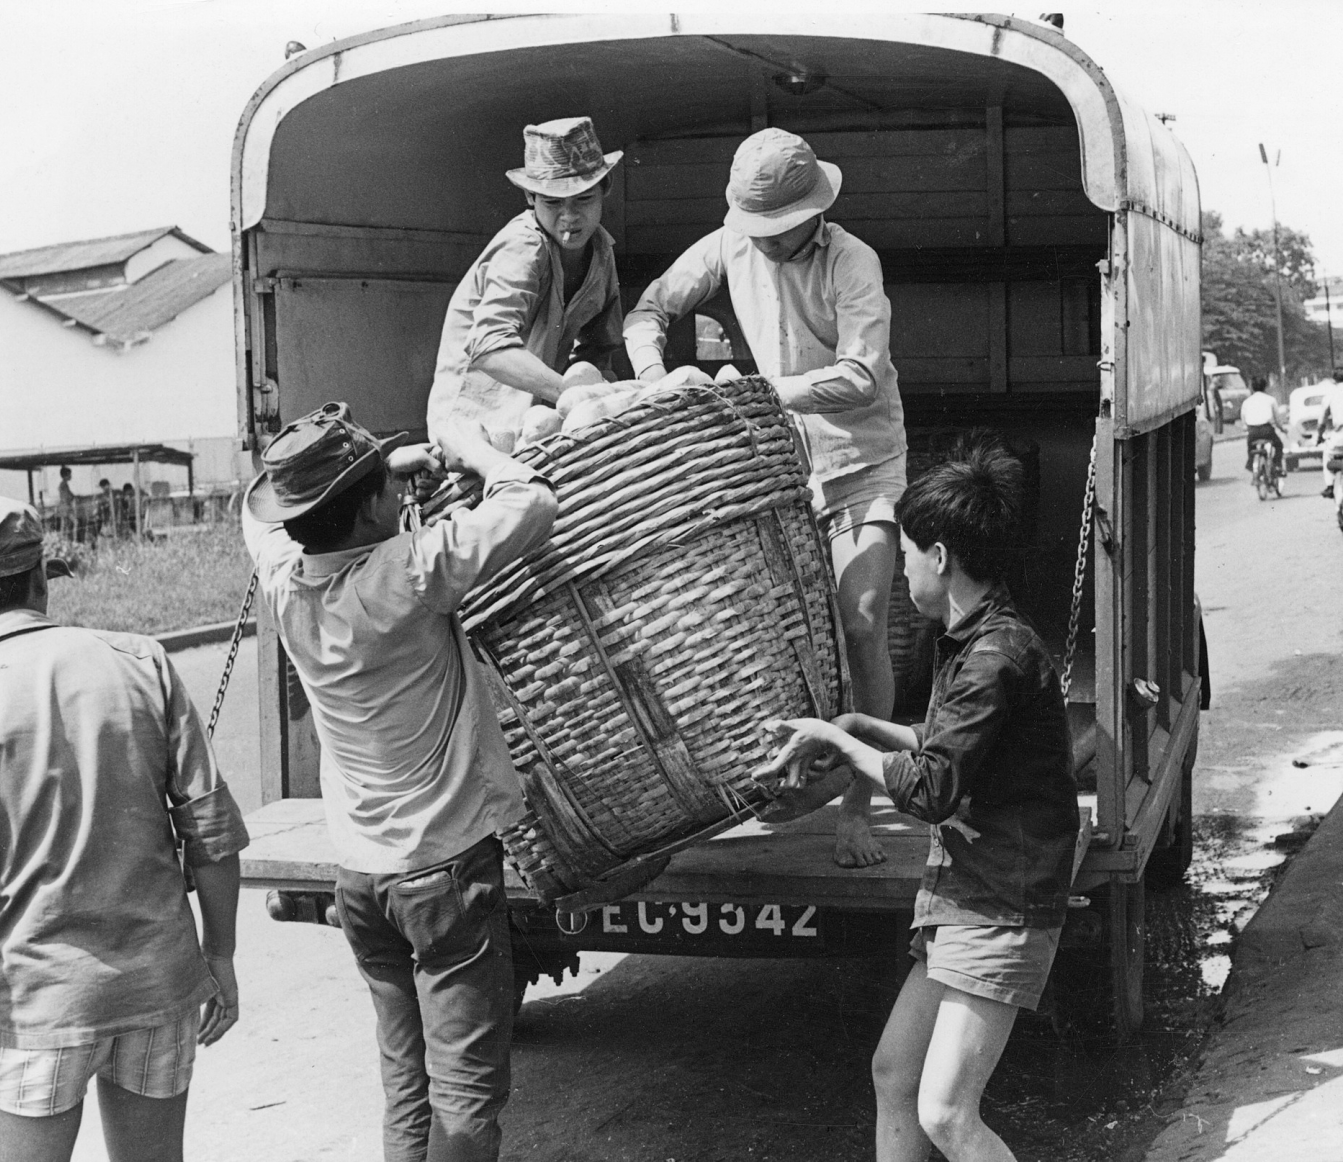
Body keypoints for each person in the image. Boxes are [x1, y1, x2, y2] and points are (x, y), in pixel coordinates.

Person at [242, 401, 558, 1161]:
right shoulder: (409, 570)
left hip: (362, 880)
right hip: (443, 873)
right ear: (362, 513)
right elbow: (533, 502)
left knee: (407, 1085)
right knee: (465, 1096)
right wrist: (474, 449)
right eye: (384, 484)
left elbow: (252, 515)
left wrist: (384, 472)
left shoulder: (286, 582)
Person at [758, 433, 1078, 1162]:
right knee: (894, 1074)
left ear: (940, 558)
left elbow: (931, 788)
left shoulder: (996, 656)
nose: (900, 571)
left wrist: (839, 746)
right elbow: (945, 748)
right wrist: (856, 724)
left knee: (947, 1114)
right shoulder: (975, 641)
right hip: (967, 898)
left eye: (905, 554)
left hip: (1003, 905)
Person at [0, 495, 248, 1162]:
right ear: (41, 579)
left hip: (41, 1008)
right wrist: (222, 955)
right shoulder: (143, 662)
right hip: (159, 988)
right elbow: (211, 834)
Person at [623, 127, 908, 868]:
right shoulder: (727, 245)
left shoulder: (852, 260)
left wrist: (760, 394)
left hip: (863, 462)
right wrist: (657, 381)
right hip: (776, 472)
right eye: (761, 232)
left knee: (864, 621)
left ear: (816, 211)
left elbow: (861, 377)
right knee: (766, 635)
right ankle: (782, 779)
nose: (771, 244)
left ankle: (859, 804)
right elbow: (649, 310)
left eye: (783, 231)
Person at [427, 116, 625, 445]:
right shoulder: (524, 247)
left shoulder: (602, 251)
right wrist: (570, 394)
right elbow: (489, 349)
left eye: (584, 199)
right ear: (531, 198)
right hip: (474, 430)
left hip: (534, 423)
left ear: (606, 189)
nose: (570, 216)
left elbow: (600, 347)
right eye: (552, 202)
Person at [1240, 375, 1286, 476]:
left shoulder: (1246, 402)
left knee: (1250, 448)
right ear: (1265, 387)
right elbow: (1277, 420)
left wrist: (1246, 429)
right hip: (1267, 430)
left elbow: (1243, 421)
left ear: (1252, 387)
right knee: (1279, 445)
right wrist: (1282, 429)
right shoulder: (1271, 400)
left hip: (1252, 432)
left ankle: (1251, 464)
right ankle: (1277, 465)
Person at [1319, 368, 1343, 499]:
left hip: (1338, 437)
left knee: (1327, 455)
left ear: (1334, 380)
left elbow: (1322, 419)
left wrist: (1319, 436)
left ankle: (1329, 486)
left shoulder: (1331, 394)